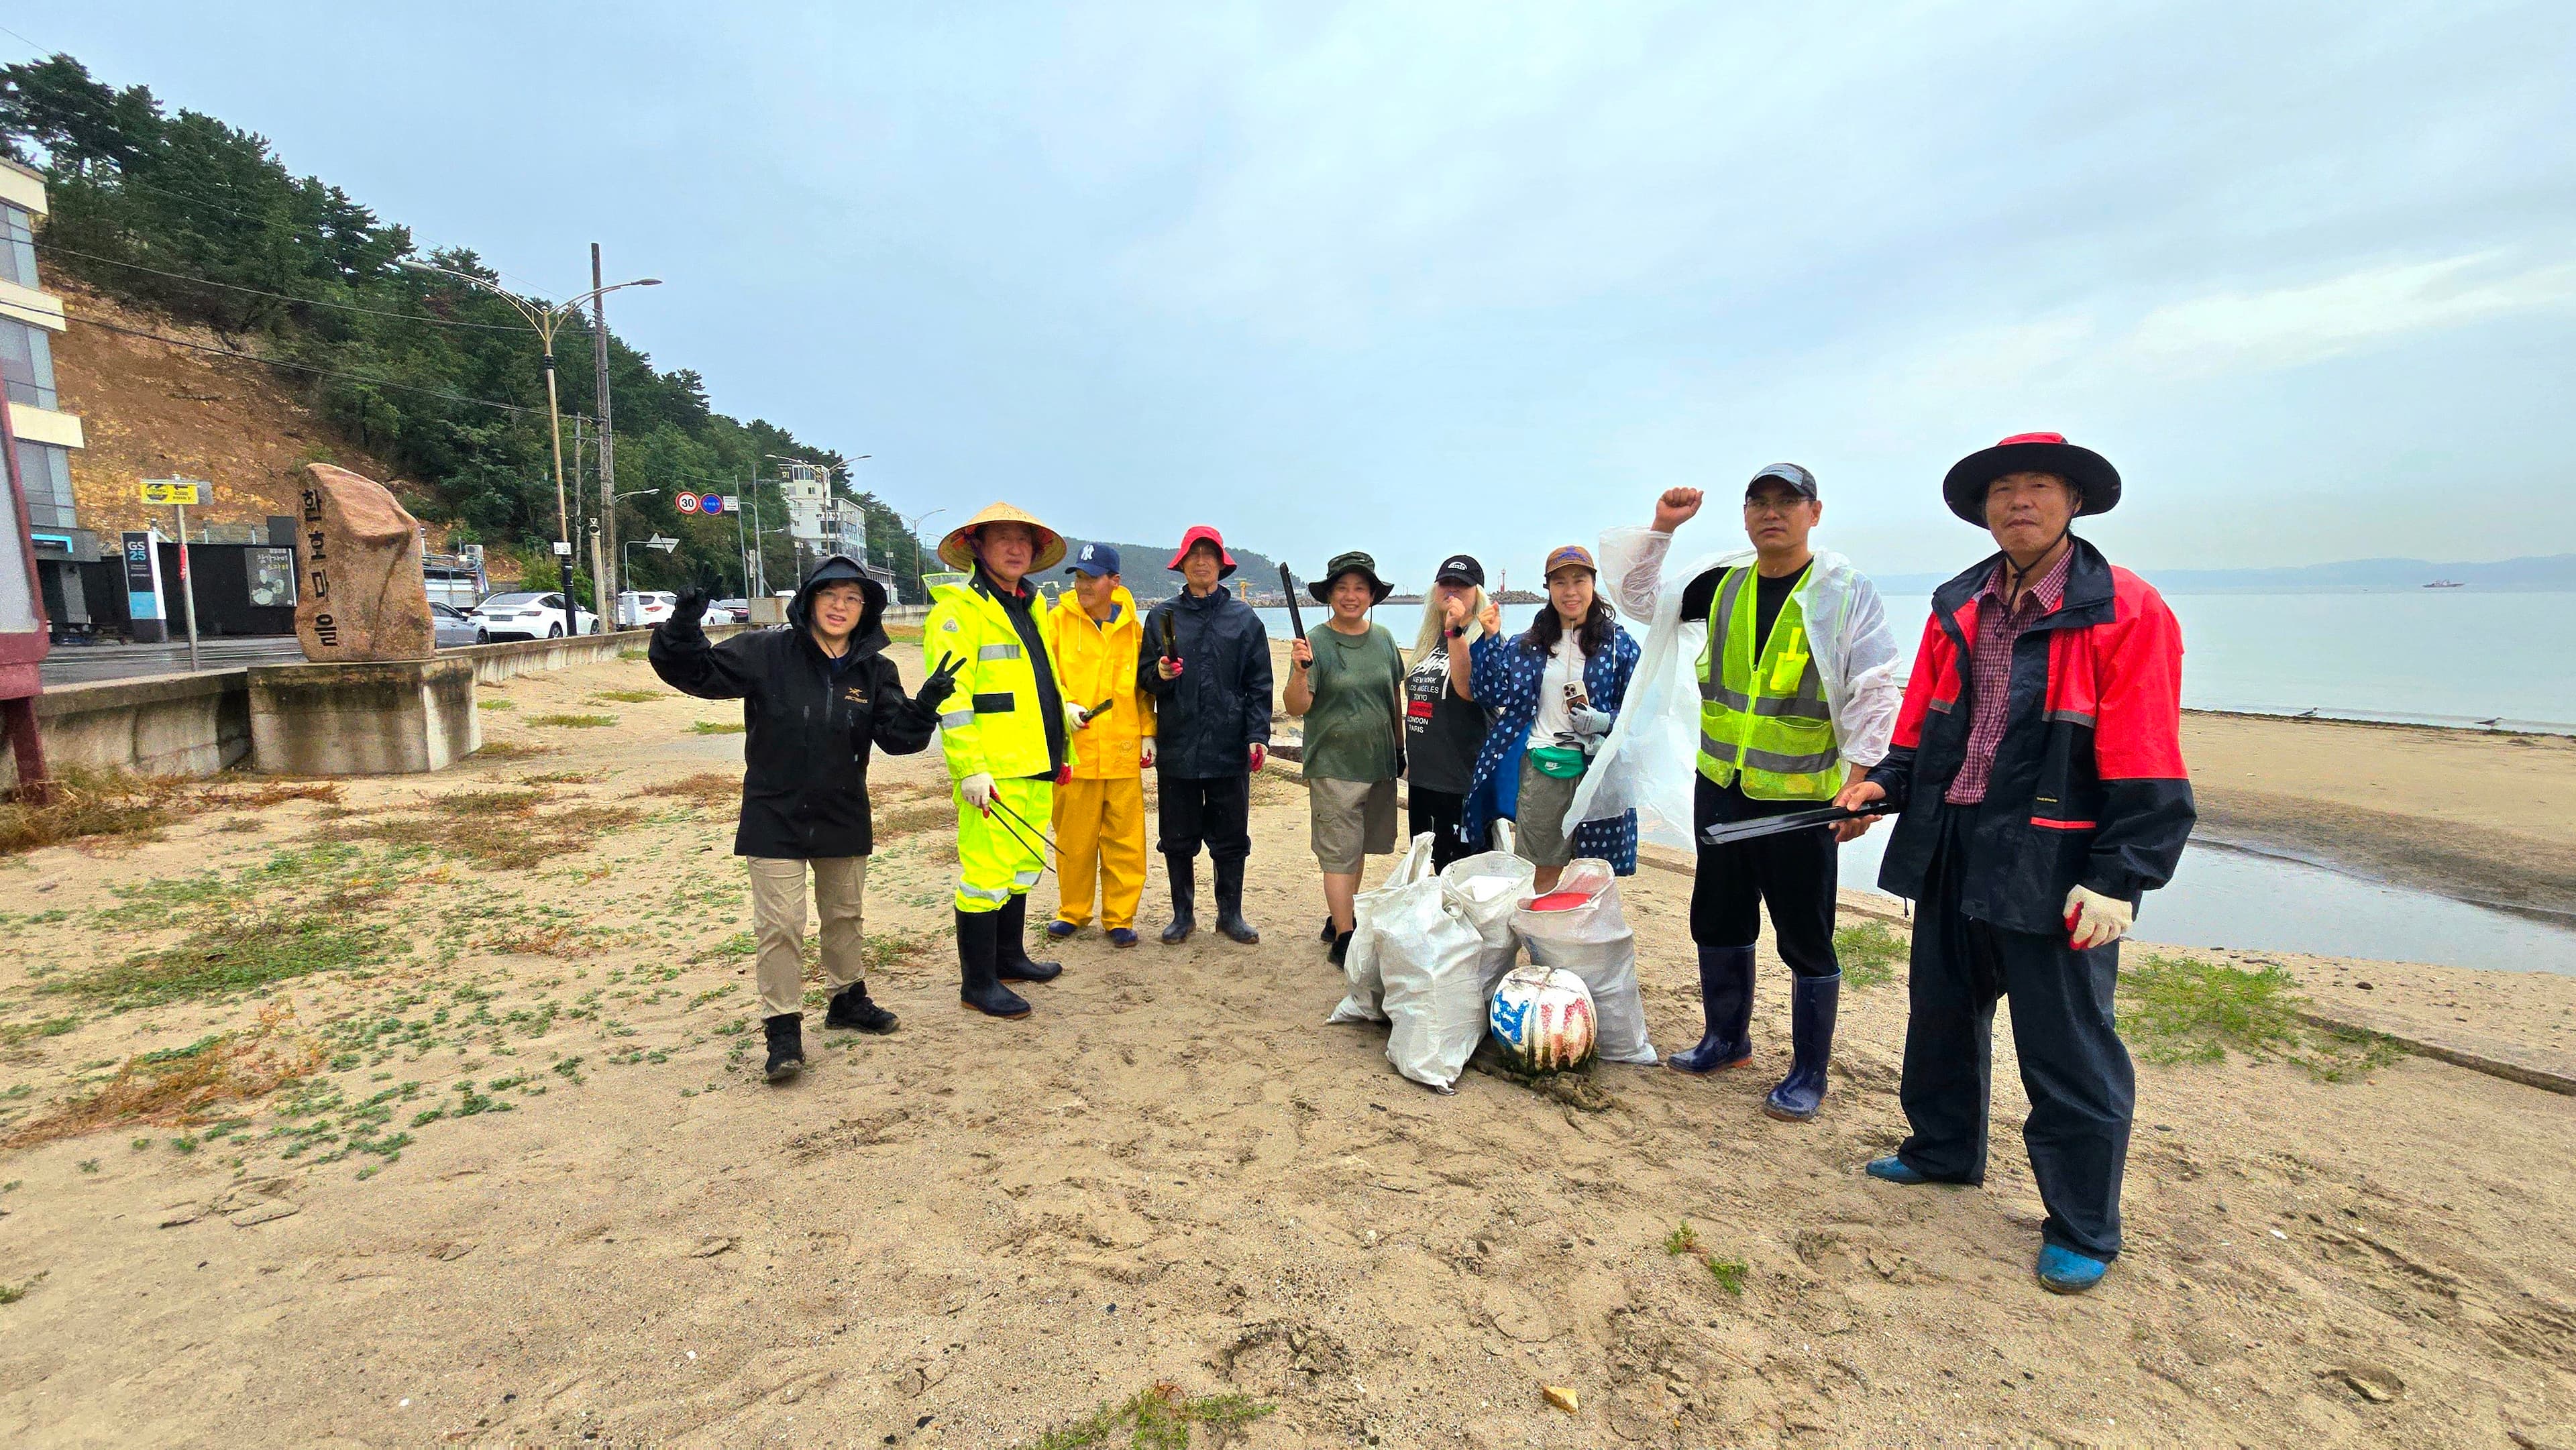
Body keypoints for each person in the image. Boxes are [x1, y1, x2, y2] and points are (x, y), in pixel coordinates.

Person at [1839, 432, 2193, 1296]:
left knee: (2067, 1043)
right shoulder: (1958, 603)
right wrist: (1881, 782)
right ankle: (1943, 1148)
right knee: (1942, 1013)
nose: (2020, 502)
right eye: (2004, 489)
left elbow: (2148, 753)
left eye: (2039, 486)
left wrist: (2123, 875)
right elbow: (1923, 721)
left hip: (2056, 851)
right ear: (1984, 507)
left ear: (2074, 502)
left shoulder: (2128, 610)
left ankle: (2082, 1225)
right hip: (1956, 840)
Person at [1599, 463, 1901, 1122]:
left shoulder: (1843, 591)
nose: (1772, 513)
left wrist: (1863, 780)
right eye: (1758, 502)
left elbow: (1875, 683)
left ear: (1814, 513)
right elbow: (1641, 600)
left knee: (1806, 935)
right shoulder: (1722, 584)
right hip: (1722, 786)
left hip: (1800, 797)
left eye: (1787, 502)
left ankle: (1807, 1072)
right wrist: (1662, 529)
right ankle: (1726, 1038)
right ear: (1743, 515)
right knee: (1719, 916)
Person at [650, 556, 954, 1083]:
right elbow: (695, 673)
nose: (840, 607)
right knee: (781, 926)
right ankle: (783, 1028)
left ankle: (848, 998)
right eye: (829, 595)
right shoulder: (767, 653)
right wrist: (684, 624)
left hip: (843, 810)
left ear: (867, 609)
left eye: (852, 599)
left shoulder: (875, 670)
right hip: (775, 812)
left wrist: (923, 706)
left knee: (844, 916)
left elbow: (898, 741)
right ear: (809, 600)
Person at [924, 502, 1093, 1020]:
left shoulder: (1030, 604)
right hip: (993, 770)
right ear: (977, 546)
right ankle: (978, 982)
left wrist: (1063, 710)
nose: (1016, 548)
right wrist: (969, 768)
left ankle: (1009, 957)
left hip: (1036, 759)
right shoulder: (958, 611)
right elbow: (951, 702)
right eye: (1003, 538)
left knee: (1019, 871)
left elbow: (1038, 676)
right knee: (984, 877)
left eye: (1025, 540)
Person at [1460, 545, 1642, 889]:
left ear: (1593, 584)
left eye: (1579, 580)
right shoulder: (1527, 644)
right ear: (1548, 588)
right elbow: (1490, 694)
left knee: (1592, 875)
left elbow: (1642, 711)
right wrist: (1489, 639)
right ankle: (1539, 941)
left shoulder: (1620, 646)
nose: (1570, 591)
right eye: (1559, 582)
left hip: (1600, 771)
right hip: (1543, 767)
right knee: (1539, 870)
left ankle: (1579, 941)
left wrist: (1605, 720)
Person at [1137, 525, 1273, 946]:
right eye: (1193, 554)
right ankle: (1183, 915)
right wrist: (1159, 675)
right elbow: (1143, 678)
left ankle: (1230, 915)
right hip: (1178, 743)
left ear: (1221, 564)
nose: (1200, 561)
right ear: (1181, 564)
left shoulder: (1244, 619)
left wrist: (1257, 734)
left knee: (1231, 837)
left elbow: (1260, 682)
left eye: (1208, 554)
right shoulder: (1162, 617)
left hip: (1229, 745)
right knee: (1177, 837)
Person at [1285, 551, 1406, 965]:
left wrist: (1400, 746)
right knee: (1339, 853)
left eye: (1360, 588)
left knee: (1358, 850)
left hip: (1378, 763)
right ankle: (1344, 936)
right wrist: (1301, 671)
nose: (1351, 596)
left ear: (1371, 595)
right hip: (1334, 766)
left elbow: (1393, 696)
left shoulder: (1385, 639)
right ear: (1330, 595)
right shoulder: (1315, 642)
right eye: (1342, 588)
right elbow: (1296, 707)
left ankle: (1342, 915)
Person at [1045, 543, 1156, 948]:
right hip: (1077, 750)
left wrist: (1148, 732)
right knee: (1073, 838)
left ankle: (1120, 917)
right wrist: (1065, 706)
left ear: (1115, 581)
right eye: (1078, 577)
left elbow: (1143, 688)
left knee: (1125, 841)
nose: (1083, 585)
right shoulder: (1057, 621)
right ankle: (1073, 911)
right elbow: (1045, 676)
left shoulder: (1133, 627)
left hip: (1124, 750)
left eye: (1092, 578)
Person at [1404, 554, 1495, 871]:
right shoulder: (1430, 642)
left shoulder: (1484, 641)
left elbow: (1467, 689)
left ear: (1477, 594)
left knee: (1459, 876)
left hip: (1461, 783)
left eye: (1463, 586)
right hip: (1423, 781)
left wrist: (1456, 632)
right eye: (1446, 584)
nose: (1453, 591)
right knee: (1424, 872)